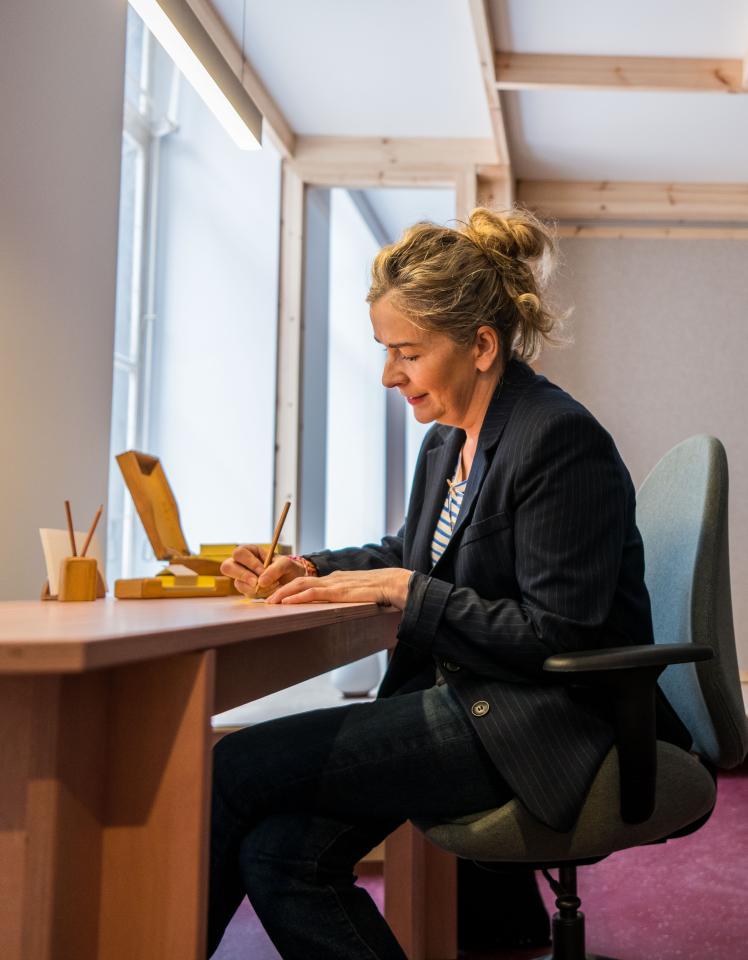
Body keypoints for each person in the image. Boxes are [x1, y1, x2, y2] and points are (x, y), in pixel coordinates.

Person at [209, 207, 691, 959]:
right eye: (383, 350)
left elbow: (555, 634)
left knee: (233, 767)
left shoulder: (557, 439)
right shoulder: (447, 442)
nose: (387, 375)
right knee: (278, 853)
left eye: (406, 352)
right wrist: (309, 569)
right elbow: (412, 550)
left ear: (482, 346)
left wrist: (407, 592)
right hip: (472, 698)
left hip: (542, 718)